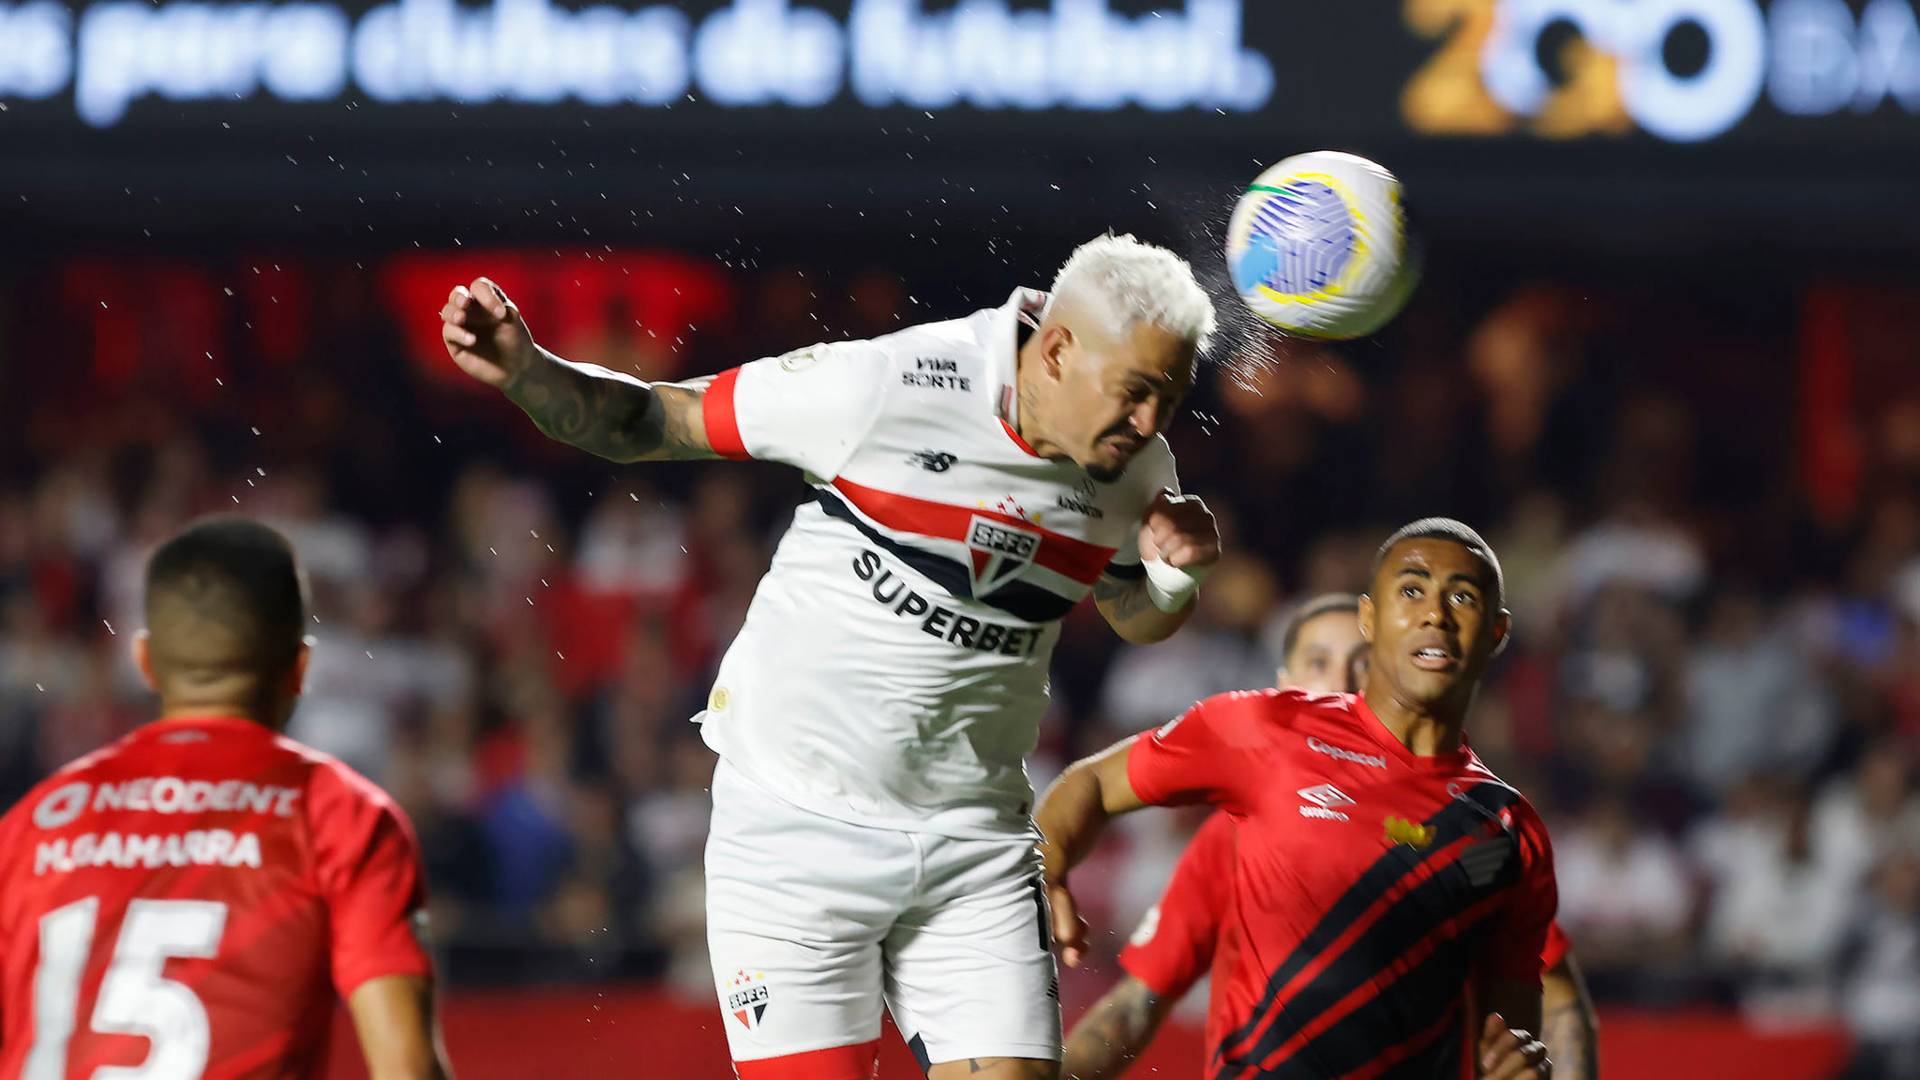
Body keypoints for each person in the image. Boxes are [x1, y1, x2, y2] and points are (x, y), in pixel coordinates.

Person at [438, 235, 1224, 1080]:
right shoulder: (884, 385)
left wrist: (1173, 580)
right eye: (1137, 392)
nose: (1151, 423)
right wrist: (529, 372)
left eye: (1169, 399)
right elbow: (651, 420)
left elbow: (1130, 608)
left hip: (975, 841)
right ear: (1059, 350)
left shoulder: (1136, 463)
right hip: (795, 832)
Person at [1037, 519, 1557, 1078]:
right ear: (1370, 619)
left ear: (1496, 632)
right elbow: (1094, 782)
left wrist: (1521, 1066)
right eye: (1412, 590)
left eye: (1463, 596)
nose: (1436, 614)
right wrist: (1048, 868)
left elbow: (1509, 1039)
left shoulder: (1508, 830)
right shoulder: (1267, 732)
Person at [0, 516, 451, 1079]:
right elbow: (406, 1068)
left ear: (145, 663)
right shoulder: (339, 814)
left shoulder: (32, 823)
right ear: (300, 668)